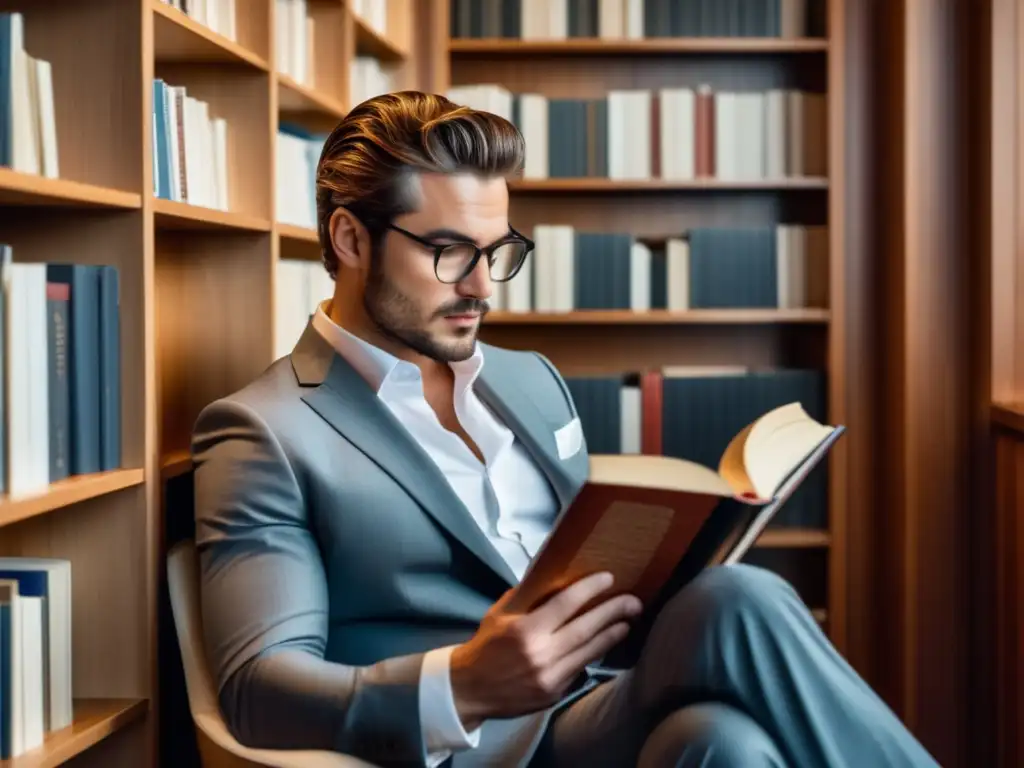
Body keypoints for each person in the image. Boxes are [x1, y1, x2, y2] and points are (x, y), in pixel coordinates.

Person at [190, 90, 939, 768]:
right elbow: (259, 688)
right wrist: (463, 686)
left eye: (498, 252)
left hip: (601, 700)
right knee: (734, 605)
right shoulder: (265, 431)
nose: (482, 286)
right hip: (474, 745)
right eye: (449, 252)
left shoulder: (529, 380)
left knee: (720, 741)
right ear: (351, 240)